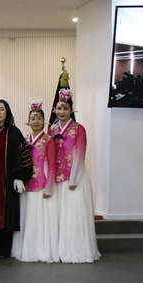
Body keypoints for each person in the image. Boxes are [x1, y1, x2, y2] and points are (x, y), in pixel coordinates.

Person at [48, 90, 101, 263]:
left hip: (74, 177)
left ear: (71, 110)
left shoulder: (79, 129)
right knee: (59, 215)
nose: (62, 111)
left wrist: (74, 178)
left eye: (65, 108)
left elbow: (80, 153)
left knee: (74, 214)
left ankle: (77, 251)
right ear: (54, 110)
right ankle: (59, 250)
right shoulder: (52, 129)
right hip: (57, 178)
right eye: (59, 108)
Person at [0, 99, 32, 259]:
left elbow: (21, 156)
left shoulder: (14, 132)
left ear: (7, 112)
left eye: (1, 109)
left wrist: (18, 176)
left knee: (7, 215)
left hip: (8, 182)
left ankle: (4, 249)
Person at [11, 101, 59, 263]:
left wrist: (50, 187)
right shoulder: (24, 139)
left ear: (44, 121)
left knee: (41, 219)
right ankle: (26, 249)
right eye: (33, 118)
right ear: (28, 121)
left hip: (42, 184)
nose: (36, 121)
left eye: (39, 118)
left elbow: (52, 164)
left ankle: (41, 250)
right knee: (27, 217)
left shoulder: (49, 140)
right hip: (26, 184)